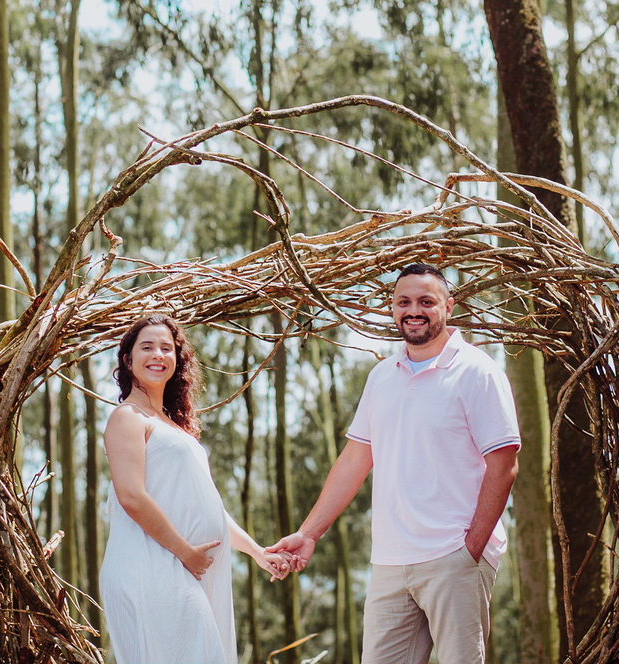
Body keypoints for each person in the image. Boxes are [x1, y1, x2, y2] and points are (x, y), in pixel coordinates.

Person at [269, 263, 521, 664]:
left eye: (426, 301)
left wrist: (470, 548)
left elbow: (504, 463)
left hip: (453, 556)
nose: (413, 310)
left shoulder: (478, 371)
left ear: (448, 307)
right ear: (392, 308)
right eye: (403, 301)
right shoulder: (381, 376)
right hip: (389, 561)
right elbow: (355, 458)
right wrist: (310, 533)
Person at [100, 314, 289, 664]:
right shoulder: (127, 417)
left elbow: (211, 507)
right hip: (153, 565)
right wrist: (185, 552)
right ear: (127, 359)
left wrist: (258, 553)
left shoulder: (172, 425)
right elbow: (131, 497)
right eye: (147, 347)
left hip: (184, 566)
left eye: (166, 348)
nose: (158, 354)